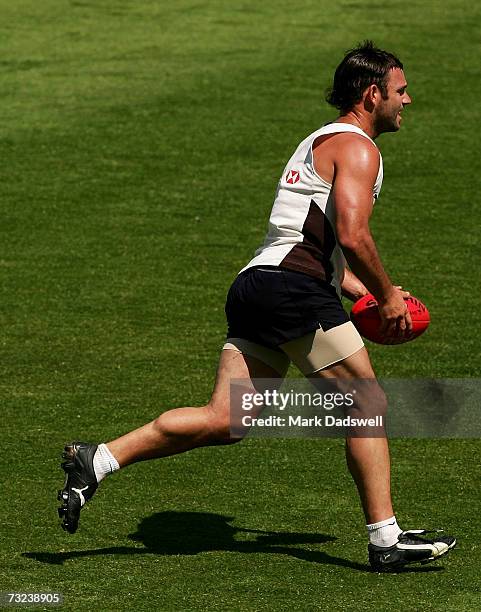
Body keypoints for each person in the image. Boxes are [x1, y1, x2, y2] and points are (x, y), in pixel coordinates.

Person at [58, 41, 456, 572]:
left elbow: (310, 236)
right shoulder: (359, 148)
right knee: (367, 401)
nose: (408, 101)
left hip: (258, 283)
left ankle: (99, 459)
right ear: (372, 93)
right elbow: (354, 234)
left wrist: (358, 289)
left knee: (227, 419)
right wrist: (386, 297)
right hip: (292, 288)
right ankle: (385, 538)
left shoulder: (319, 140)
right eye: (401, 91)